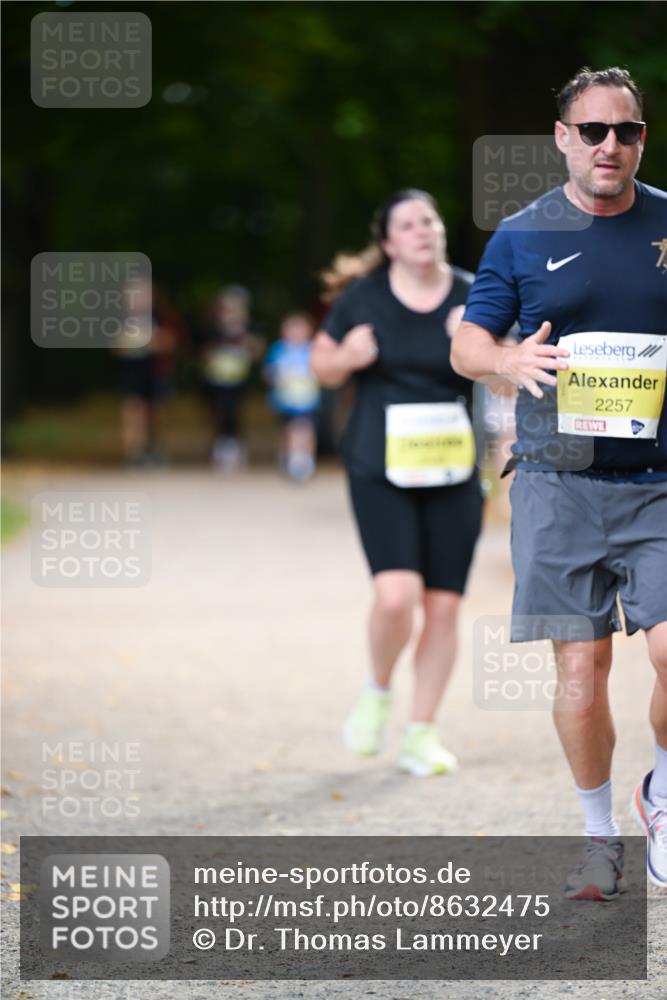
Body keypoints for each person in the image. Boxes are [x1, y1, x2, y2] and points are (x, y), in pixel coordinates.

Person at [450, 67, 667, 897]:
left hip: (658, 481)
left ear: (641, 137)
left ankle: (658, 795)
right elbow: (467, 347)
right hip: (556, 482)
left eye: (627, 130)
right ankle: (596, 835)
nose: (610, 145)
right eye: (593, 131)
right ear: (562, 138)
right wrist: (505, 358)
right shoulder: (520, 234)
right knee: (579, 674)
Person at [311, 189, 483, 777]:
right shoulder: (363, 298)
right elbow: (321, 365)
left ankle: (421, 733)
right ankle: (378, 689)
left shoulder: (471, 293)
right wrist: (351, 357)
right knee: (396, 596)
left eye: (430, 220)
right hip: (378, 466)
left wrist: (478, 346)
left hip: (453, 468)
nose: (423, 230)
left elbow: (512, 374)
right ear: (387, 243)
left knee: (443, 606)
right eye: (408, 224)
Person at [114, 279, 182, 466]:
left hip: (156, 371)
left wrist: (152, 342)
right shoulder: (120, 320)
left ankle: (158, 450)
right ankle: (134, 453)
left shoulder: (162, 317)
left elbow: (171, 343)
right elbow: (116, 346)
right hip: (132, 372)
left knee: (159, 412)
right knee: (133, 411)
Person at [200, 285, 264, 470]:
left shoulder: (249, 328)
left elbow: (257, 350)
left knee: (235, 412)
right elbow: (202, 352)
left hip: (238, 378)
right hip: (216, 378)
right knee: (218, 411)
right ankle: (220, 447)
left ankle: (235, 447)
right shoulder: (211, 327)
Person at [263, 311, 320, 482]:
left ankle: (304, 459)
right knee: (287, 430)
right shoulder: (278, 349)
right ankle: (288, 455)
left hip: (307, 400)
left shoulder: (313, 349)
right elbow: (268, 372)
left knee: (304, 428)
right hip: (284, 400)